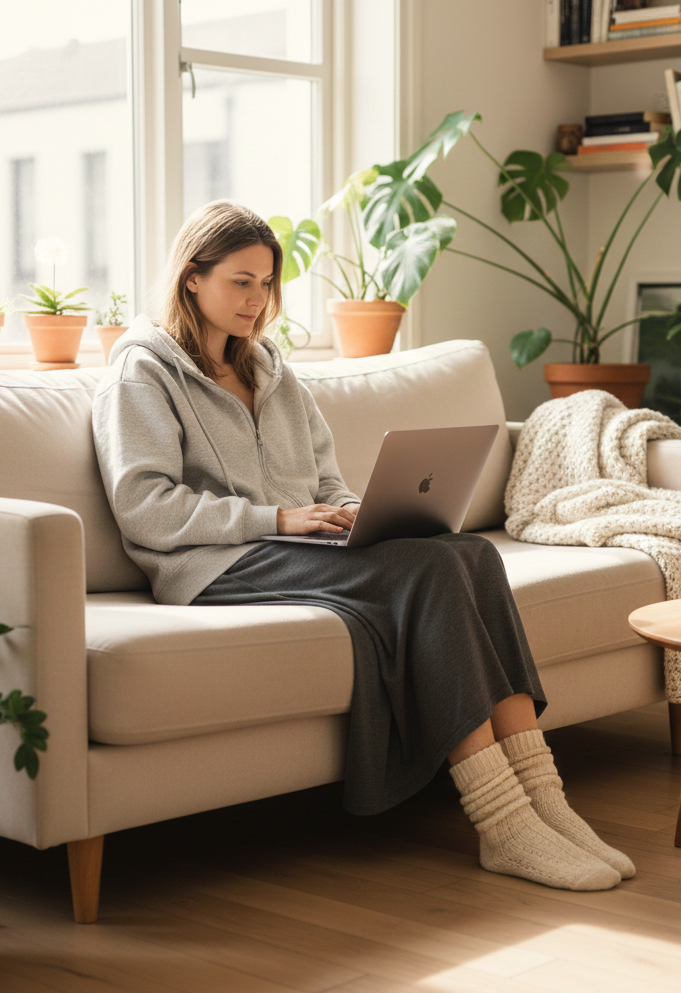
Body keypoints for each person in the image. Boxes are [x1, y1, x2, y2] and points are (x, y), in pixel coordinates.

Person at [92, 199, 634, 892]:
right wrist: (277, 520)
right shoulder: (142, 371)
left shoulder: (272, 370)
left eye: (267, 284)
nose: (258, 300)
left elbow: (325, 482)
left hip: (293, 542)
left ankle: (546, 800)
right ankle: (503, 821)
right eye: (241, 282)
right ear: (191, 278)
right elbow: (144, 508)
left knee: (467, 552)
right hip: (215, 562)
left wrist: (363, 515)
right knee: (428, 575)